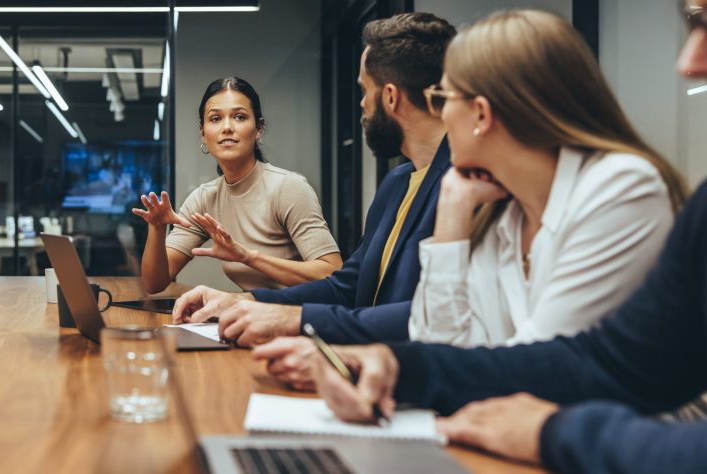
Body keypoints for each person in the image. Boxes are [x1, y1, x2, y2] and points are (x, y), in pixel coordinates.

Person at [307, 5, 707, 473]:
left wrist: (411, 369)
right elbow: (447, 344)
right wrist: (452, 219)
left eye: (443, 98)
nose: (688, 63)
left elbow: (562, 375)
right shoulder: (498, 209)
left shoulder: (621, 187)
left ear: (479, 113)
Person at [170, 13, 457, 348]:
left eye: (365, 91)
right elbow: (348, 286)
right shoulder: (397, 183)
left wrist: (296, 319)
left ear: (391, 97)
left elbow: (437, 316)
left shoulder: (466, 186)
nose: (362, 105)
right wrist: (244, 301)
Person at [133, 76, 342, 293]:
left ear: (258, 129)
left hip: (303, 319)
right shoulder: (205, 198)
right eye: (215, 119)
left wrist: (247, 257)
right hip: (252, 318)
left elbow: (332, 275)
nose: (227, 128)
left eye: (239, 117)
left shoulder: (288, 188)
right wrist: (157, 229)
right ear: (203, 133)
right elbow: (154, 284)